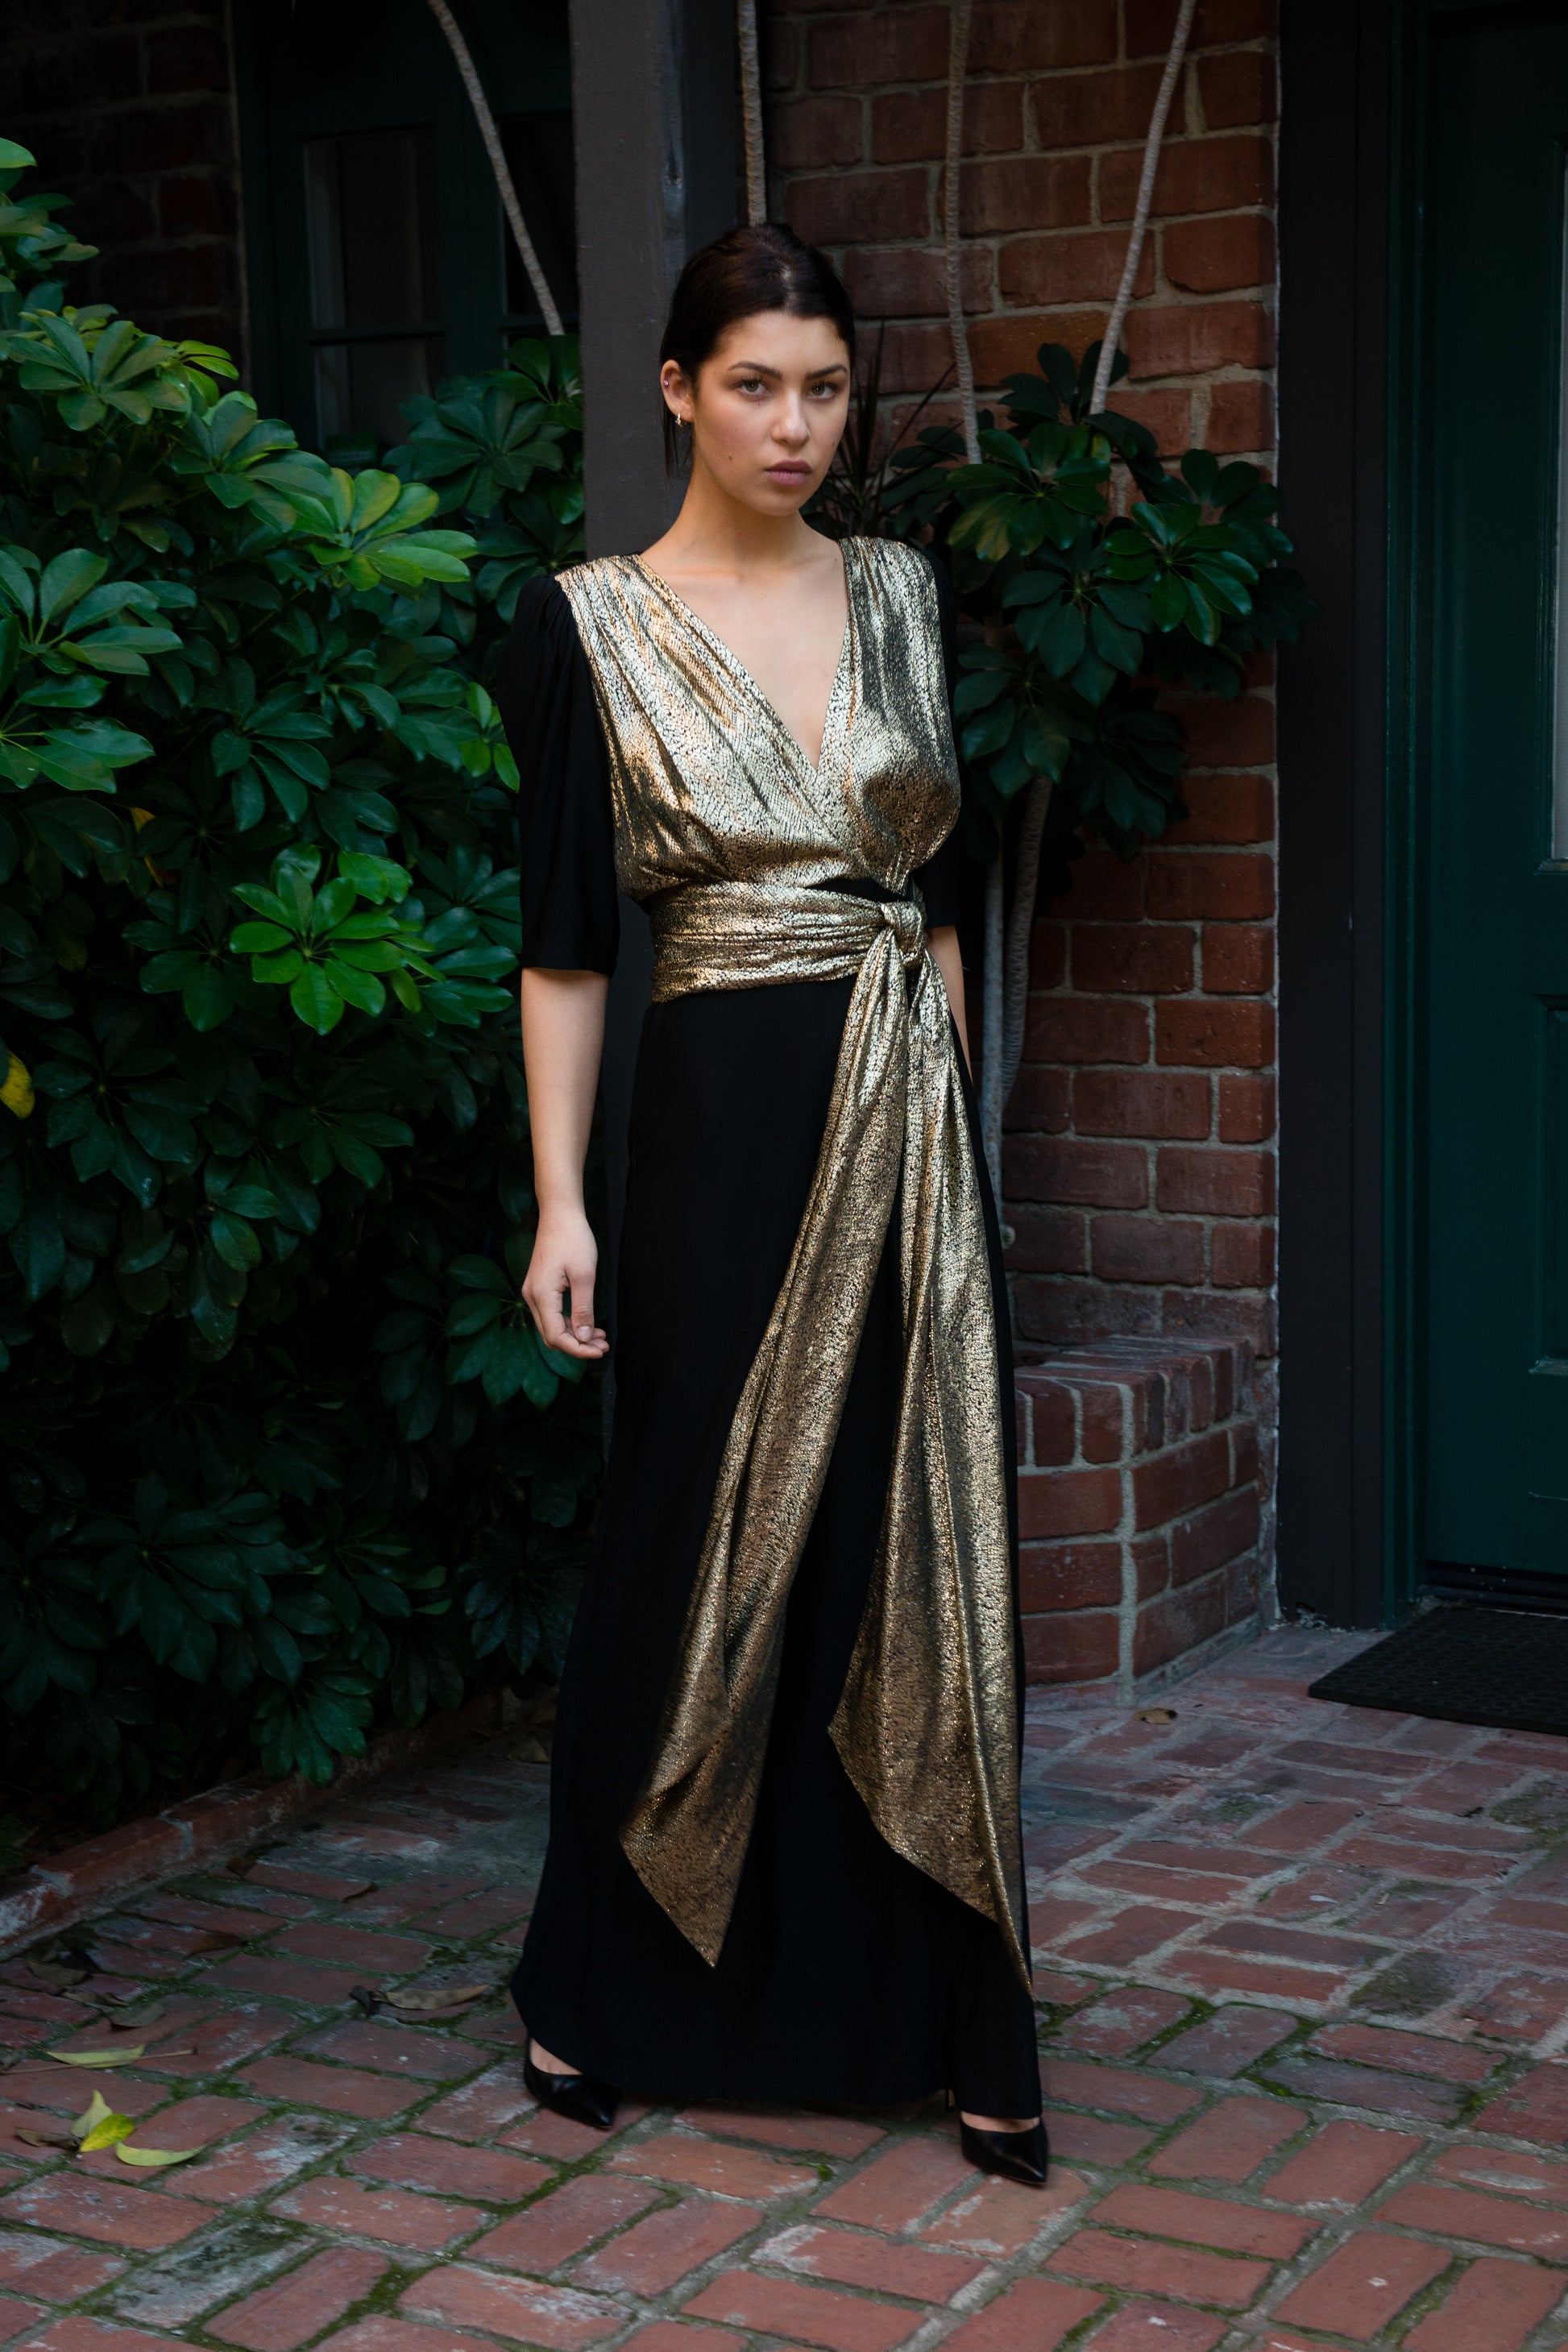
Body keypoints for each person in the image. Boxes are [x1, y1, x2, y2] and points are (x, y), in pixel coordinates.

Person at [498, 221, 1047, 2185]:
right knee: (682, 1538)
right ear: (675, 388)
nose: (796, 422)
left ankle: (939, 2010)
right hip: (714, 1133)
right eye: (753, 382)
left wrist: (960, 1166)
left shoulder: (901, 592)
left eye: (823, 384)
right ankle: (599, 1987)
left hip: (906, 1140)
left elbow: (942, 899)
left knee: (909, 1559)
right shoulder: (587, 623)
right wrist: (558, 1204)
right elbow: (567, 952)